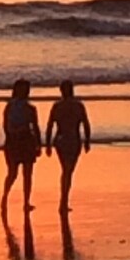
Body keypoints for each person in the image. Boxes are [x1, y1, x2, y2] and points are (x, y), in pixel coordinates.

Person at [45, 80, 92, 213]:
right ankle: (63, 200)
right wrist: (87, 141)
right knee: (68, 171)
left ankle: (64, 199)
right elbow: (86, 124)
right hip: (73, 140)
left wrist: (48, 144)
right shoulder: (78, 106)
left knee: (66, 170)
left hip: (60, 140)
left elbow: (50, 126)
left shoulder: (57, 106)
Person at [1, 79, 42, 214]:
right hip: (19, 141)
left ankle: (21, 201)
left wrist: (38, 143)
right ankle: (9, 198)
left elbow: (34, 127)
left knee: (21, 173)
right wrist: (38, 144)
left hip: (19, 141)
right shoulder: (23, 108)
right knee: (18, 173)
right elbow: (34, 128)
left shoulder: (15, 107)